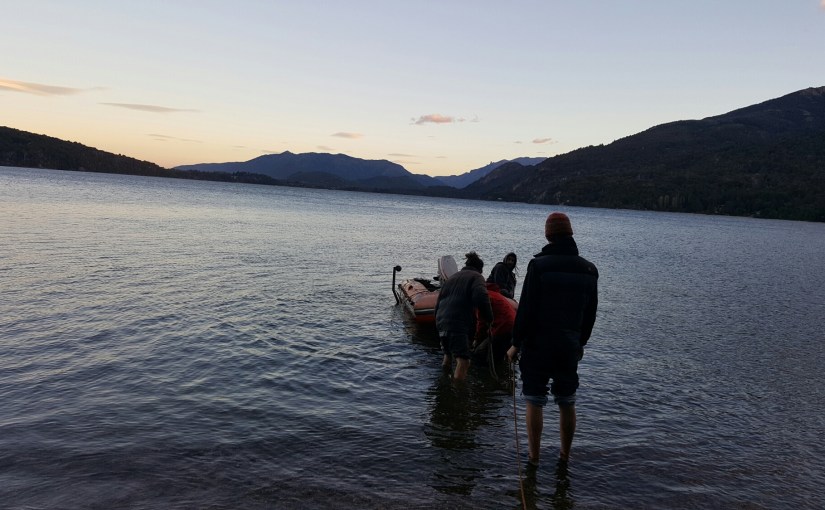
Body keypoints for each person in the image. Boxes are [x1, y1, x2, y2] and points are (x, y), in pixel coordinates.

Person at [507, 212, 598, 465]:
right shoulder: (589, 270)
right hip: (569, 346)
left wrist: (516, 343)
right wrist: (581, 343)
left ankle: (534, 458)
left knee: (535, 399)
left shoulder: (539, 266)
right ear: (570, 234)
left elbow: (526, 309)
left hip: (538, 345)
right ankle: (564, 457)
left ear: (548, 235)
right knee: (567, 401)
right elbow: (590, 314)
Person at [434, 251, 493, 381]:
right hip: (457, 323)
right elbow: (481, 297)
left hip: (441, 321)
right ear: (480, 269)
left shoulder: (452, 278)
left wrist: (438, 322)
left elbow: (438, 303)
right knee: (464, 361)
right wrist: (489, 318)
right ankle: (457, 395)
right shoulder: (476, 277)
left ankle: (443, 385)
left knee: (448, 355)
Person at [472, 282, 516, 364]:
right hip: (514, 327)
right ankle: (503, 371)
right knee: (499, 353)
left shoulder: (483, 297)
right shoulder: (496, 295)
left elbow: (481, 323)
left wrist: (477, 340)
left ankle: (484, 374)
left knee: (479, 354)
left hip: (503, 328)